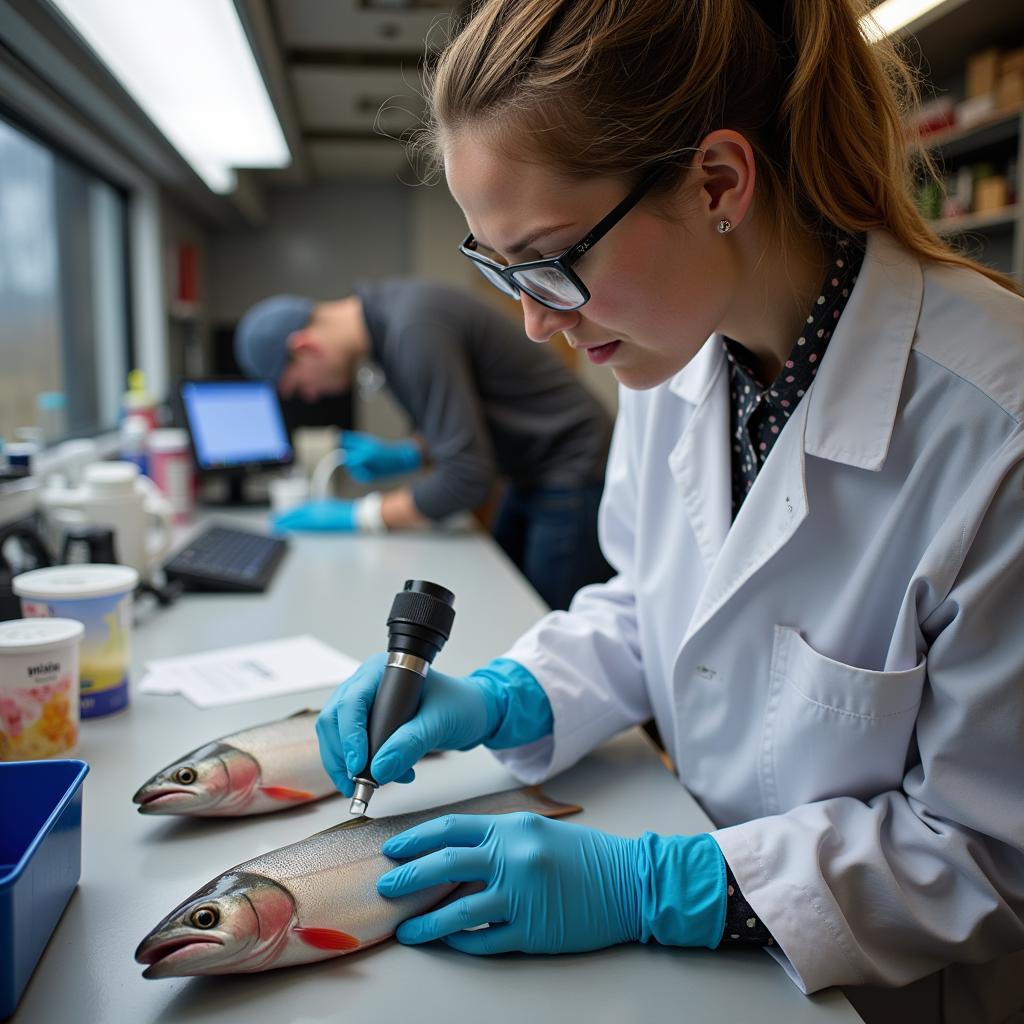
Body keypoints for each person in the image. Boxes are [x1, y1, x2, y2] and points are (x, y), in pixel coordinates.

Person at [315, 1, 1024, 1019]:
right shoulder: (679, 357)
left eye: (552, 260)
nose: (531, 317)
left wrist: (655, 885)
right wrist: (506, 695)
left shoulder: (992, 430)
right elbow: (656, 606)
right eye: (497, 266)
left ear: (717, 184)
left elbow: (984, 854)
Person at [234, 278, 613, 610]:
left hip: (573, 465)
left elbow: (467, 478)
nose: (311, 396)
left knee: (548, 623)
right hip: (532, 469)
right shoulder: (389, 321)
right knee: (507, 599)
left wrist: (361, 516)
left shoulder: (412, 328)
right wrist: (411, 453)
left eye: (299, 386)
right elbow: (467, 421)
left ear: (305, 347)